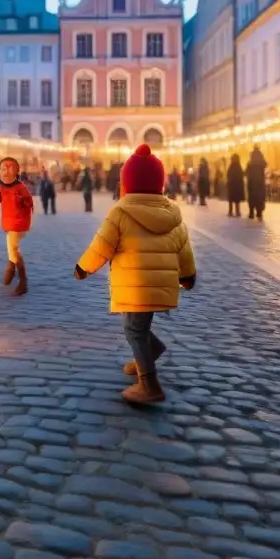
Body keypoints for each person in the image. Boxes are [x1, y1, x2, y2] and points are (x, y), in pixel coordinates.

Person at [73, 145, 196, 405]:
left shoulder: (120, 212)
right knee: (138, 326)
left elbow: (101, 245)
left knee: (134, 330)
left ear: (125, 184)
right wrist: (187, 276)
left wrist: (84, 267)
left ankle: (149, 385)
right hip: (158, 285)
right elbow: (183, 249)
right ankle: (147, 355)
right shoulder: (173, 214)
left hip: (134, 285)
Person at [0, 157, 34, 296]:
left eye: (10, 169)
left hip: (18, 223)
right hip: (9, 223)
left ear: (16, 171)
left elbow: (29, 203)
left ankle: (22, 281)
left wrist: (22, 201)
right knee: (12, 249)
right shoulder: (1, 187)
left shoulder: (20, 187)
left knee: (13, 249)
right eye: (3, 169)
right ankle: (11, 267)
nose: (6, 172)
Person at [245, 146, 267, 221]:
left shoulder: (250, 163)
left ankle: (251, 213)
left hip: (251, 182)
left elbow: (246, 172)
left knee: (252, 197)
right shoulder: (261, 162)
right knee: (259, 197)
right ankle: (259, 213)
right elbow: (265, 164)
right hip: (260, 182)